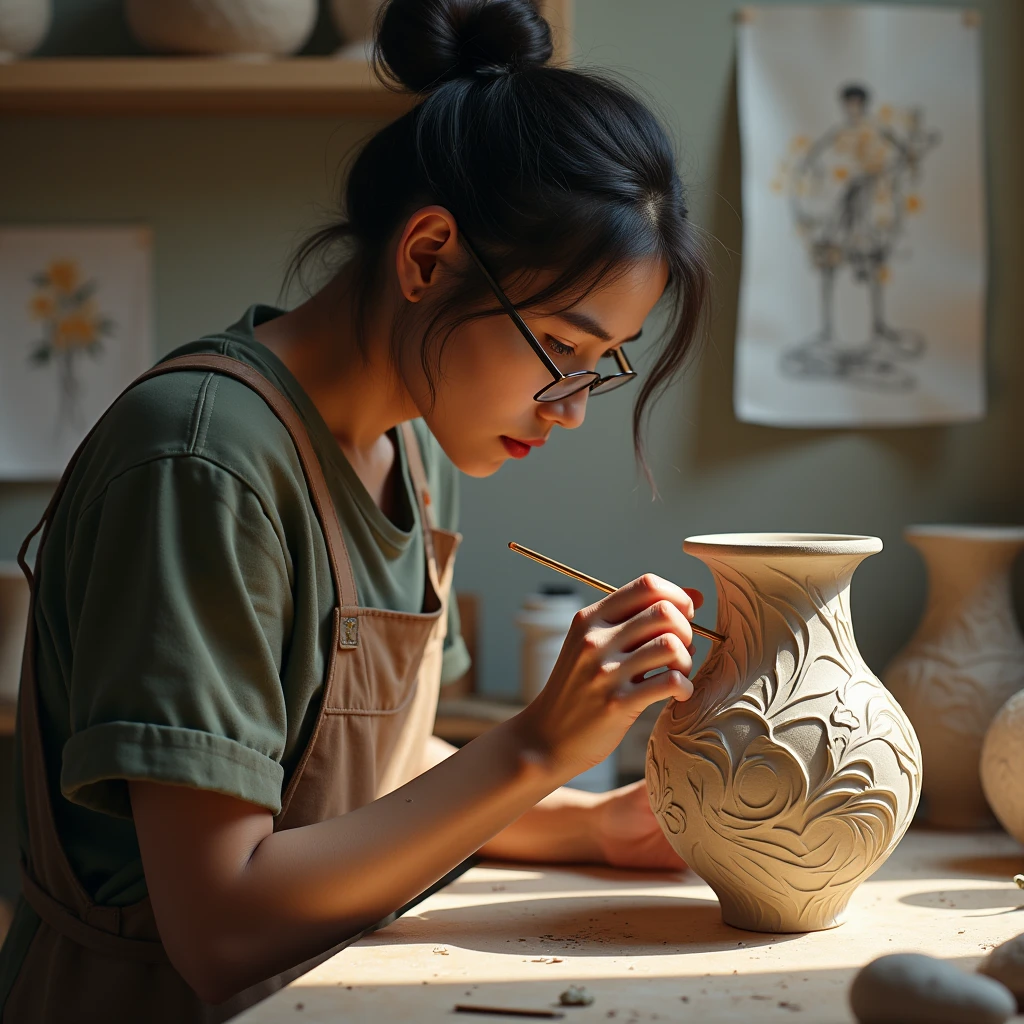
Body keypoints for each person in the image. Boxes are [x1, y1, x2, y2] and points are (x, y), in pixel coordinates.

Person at [0, 0, 711, 1019]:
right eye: (560, 347)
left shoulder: (413, 450)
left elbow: (365, 758)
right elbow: (221, 926)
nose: (569, 410)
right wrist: (538, 744)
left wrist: (590, 825)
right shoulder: (204, 465)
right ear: (426, 255)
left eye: (600, 369)